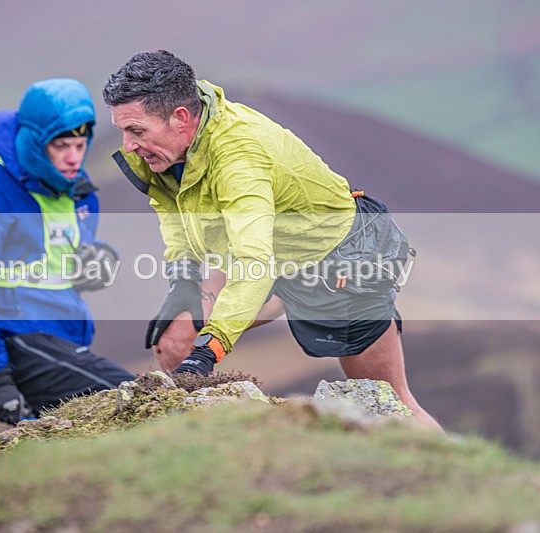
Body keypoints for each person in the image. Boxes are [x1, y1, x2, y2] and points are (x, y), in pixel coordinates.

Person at [102, 50, 442, 431]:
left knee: (391, 403)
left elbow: (254, 265)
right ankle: (197, 445)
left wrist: (209, 350)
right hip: (263, 250)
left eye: (136, 131)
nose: (128, 145)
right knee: (176, 336)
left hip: (339, 261)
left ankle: (454, 479)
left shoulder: (240, 159)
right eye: (123, 131)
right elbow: (171, 206)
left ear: (181, 119)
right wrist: (183, 281)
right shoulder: (166, 149)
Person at [0, 78, 135, 426]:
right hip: (18, 341)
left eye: (80, 144)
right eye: (61, 146)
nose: (73, 158)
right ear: (34, 141)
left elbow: (59, 262)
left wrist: (97, 261)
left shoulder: (80, 193)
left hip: (66, 341)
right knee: (137, 400)